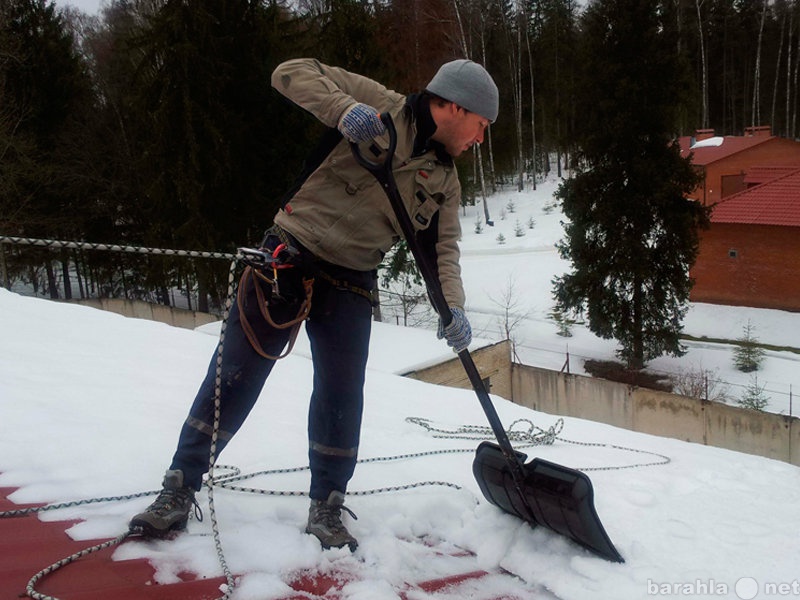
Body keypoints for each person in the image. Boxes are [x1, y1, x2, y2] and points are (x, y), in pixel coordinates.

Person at [129, 57, 499, 551]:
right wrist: (343, 110)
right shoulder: (381, 108)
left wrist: (452, 308)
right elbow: (288, 71)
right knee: (236, 373)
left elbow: (442, 252)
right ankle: (178, 487)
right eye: (481, 126)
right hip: (289, 254)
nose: (480, 139)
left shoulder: (445, 182)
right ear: (455, 106)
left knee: (341, 393)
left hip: (351, 279)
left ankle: (326, 504)